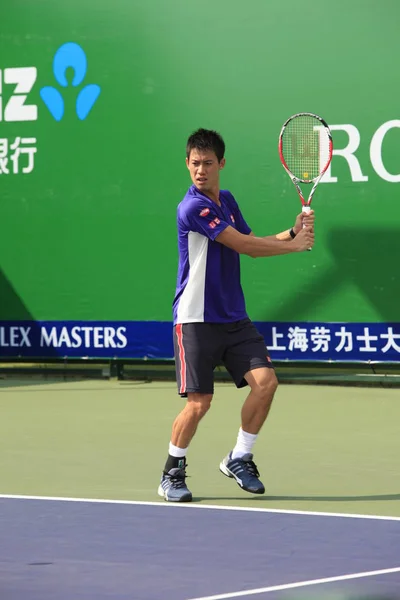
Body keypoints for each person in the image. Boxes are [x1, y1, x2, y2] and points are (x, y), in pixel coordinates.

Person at [158, 128, 314, 502]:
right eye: (194, 163)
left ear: (221, 164)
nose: (200, 171)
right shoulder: (192, 208)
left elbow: (254, 239)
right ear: (187, 164)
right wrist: (295, 248)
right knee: (199, 404)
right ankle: (171, 472)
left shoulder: (225, 199)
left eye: (208, 163)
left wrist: (292, 231)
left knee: (267, 382)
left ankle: (239, 457)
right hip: (195, 320)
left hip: (233, 319)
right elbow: (248, 247)